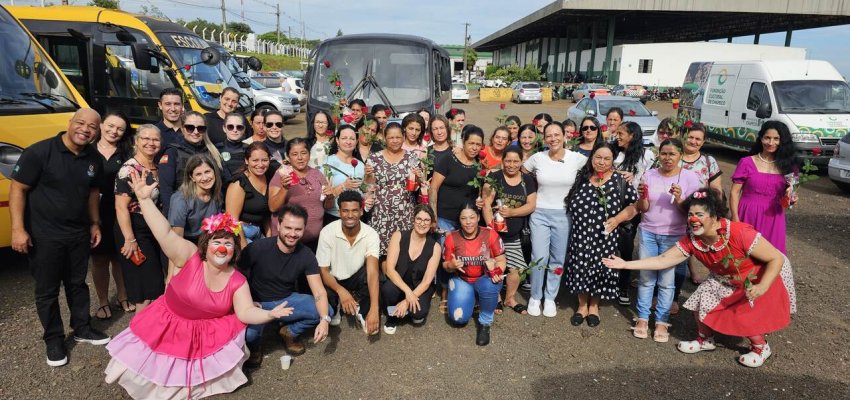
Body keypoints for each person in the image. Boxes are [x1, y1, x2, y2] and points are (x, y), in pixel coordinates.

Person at [105, 172, 293, 397]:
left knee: (186, 383)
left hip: (203, 332)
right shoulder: (190, 256)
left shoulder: (237, 280)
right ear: (206, 244)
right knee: (147, 377)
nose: (222, 248)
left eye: (228, 244)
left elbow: (245, 312)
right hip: (166, 323)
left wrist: (270, 315)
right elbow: (165, 233)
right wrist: (145, 200)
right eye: (217, 242)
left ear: (234, 250)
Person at [603, 188, 797, 368]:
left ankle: (761, 347)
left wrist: (763, 286)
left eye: (699, 214)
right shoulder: (693, 240)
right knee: (701, 300)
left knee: (745, 313)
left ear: (714, 216)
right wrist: (625, 264)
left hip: (761, 275)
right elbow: (663, 260)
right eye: (690, 214)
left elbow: (776, 258)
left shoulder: (739, 233)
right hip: (725, 277)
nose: (693, 219)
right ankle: (705, 339)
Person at [10, 108, 111, 367]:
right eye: (81, 123)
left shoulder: (93, 158)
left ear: (96, 132)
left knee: (77, 283)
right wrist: (18, 229)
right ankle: (53, 339)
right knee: (47, 290)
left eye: (92, 127)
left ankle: (82, 327)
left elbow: (93, 192)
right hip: (44, 235)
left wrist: (95, 223)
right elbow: (18, 189)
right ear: (70, 122)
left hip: (78, 233)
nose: (85, 129)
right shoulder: (39, 152)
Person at [240, 205, 330, 363]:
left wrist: (324, 320)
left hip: (286, 300)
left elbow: (319, 292)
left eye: (298, 229)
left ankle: (288, 331)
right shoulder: (257, 248)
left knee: (325, 310)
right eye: (288, 228)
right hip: (258, 303)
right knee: (249, 335)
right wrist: (247, 302)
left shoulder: (306, 254)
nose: (292, 234)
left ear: (304, 229)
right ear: (279, 225)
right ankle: (255, 346)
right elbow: (237, 279)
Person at [632, 139, 700, 341]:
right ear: (658, 155)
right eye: (664, 154)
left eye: (672, 154)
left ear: (681, 156)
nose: (668, 158)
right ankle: (643, 318)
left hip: (674, 234)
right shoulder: (649, 175)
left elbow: (692, 212)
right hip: (648, 232)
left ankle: (662, 321)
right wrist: (642, 196)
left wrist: (679, 199)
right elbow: (643, 208)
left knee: (667, 281)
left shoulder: (690, 178)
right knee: (646, 278)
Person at [564, 143, 638, 327]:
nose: (602, 162)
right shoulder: (582, 177)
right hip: (580, 235)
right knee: (580, 267)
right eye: (598, 157)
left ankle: (594, 306)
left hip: (605, 237)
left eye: (607, 158)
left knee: (601, 268)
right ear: (592, 158)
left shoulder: (620, 180)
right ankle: (582, 306)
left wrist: (617, 219)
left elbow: (635, 206)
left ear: (613, 161)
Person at [522, 122, 587, 317]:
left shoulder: (576, 158)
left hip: (564, 214)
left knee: (558, 259)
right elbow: (520, 172)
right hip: (540, 213)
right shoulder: (538, 158)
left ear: (565, 136)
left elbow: (599, 169)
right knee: (539, 257)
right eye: (549, 135)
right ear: (544, 139)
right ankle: (535, 296)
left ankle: (550, 297)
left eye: (557, 134)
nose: (553, 139)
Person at [114, 124, 165, 313]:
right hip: (134, 229)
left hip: (153, 228)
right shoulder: (129, 169)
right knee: (144, 286)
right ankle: (138, 327)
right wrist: (130, 239)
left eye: (155, 139)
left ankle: (149, 326)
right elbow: (121, 206)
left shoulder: (158, 166)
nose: (151, 143)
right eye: (146, 138)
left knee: (155, 283)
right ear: (136, 141)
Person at [481, 147, 537, 315]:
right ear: (502, 161)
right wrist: (491, 229)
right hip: (494, 234)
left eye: (515, 161)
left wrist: (512, 212)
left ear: (521, 162)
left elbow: (531, 205)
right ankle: (496, 297)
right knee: (493, 267)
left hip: (514, 235)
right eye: (508, 161)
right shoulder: (494, 177)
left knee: (517, 268)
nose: (511, 165)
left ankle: (510, 298)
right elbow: (486, 204)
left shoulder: (527, 180)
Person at [730, 120, 799, 255]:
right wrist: (735, 219)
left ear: (783, 141)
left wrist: (792, 199)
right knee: (743, 257)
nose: (771, 142)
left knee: (772, 257)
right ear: (761, 138)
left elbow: (790, 196)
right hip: (747, 215)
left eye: (776, 139)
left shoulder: (789, 166)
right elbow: (734, 192)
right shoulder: (746, 162)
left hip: (774, 219)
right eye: (767, 137)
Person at [317, 190, 381, 335]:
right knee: (323, 292)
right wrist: (341, 291)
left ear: (361, 211)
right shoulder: (327, 232)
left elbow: (372, 272)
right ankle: (337, 304)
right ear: (339, 212)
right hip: (333, 278)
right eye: (345, 211)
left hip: (355, 276)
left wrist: (374, 309)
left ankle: (364, 310)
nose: (350, 215)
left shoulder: (370, 234)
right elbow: (323, 271)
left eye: (354, 210)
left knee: (375, 277)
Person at [442, 204, 507, 346]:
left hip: (484, 280)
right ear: (459, 220)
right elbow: (445, 265)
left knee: (490, 284)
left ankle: (485, 322)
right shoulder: (452, 237)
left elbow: (502, 260)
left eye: (472, 217)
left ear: (478, 217)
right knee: (458, 319)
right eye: (463, 218)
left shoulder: (490, 234)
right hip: (463, 280)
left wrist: (496, 271)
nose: (468, 222)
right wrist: (451, 265)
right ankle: (476, 300)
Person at [91, 111, 134, 319]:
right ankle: (102, 301)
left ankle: (123, 296)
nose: (114, 131)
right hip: (95, 213)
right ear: (101, 125)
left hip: (121, 211)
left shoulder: (127, 153)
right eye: (110, 126)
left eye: (120, 129)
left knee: (120, 257)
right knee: (99, 259)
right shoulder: (88, 150)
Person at [612, 121, 656, 306]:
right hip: (611, 205)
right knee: (607, 244)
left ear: (632, 136)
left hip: (633, 207)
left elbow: (651, 179)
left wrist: (634, 177)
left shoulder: (647, 156)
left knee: (626, 245)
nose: (617, 136)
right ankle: (608, 281)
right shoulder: (614, 152)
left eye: (621, 134)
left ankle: (623, 285)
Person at [380, 205, 442, 334]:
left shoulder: (435, 247)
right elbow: (390, 269)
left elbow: (426, 281)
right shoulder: (398, 236)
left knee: (418, 313)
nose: (422, 223)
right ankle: (392, 317)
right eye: (419, 219)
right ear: (413, 219)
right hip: (398, 282)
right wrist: (409, 294)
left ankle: (403, 309)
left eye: (426, 220)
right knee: (387, 289)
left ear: (431, 223)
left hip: (419, 286)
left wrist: (406, 302)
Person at [364, 122, 421, 258]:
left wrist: (419, 177)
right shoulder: (374, 158)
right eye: (391, 137)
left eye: (398, 137)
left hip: (405, 211)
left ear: (403, 137)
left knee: (403, 250)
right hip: (381, 212)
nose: (395, 141)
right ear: (385, 138)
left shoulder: (412, 157)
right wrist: (368, 175)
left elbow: (417, 185)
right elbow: (368, 186)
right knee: (380, 252)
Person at [268, 138, 332, 252]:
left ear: (309, 154)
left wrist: (330, 197)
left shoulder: (317, 174)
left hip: (314, 243)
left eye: (303, 153)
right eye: (294, 154)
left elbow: (327, 206)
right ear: (288, 157)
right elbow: (273, 207)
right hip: (287, 242)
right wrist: (284, 188)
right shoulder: (282, 175)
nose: (300, 157)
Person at [679, 122, 723, 286]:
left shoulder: (708, 161)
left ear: (703, 142)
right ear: (684, 137)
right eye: (691, 137)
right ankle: (690, 271)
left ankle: (716, 274)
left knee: (705, 240)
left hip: (701, 210)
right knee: (684, 241)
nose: (693, 141)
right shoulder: (675, 156)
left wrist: (715, 208)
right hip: (677, 208)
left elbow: (716, 188)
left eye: (698, 139)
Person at [158, 111, 224, 215]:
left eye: (200, 128)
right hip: (184, 212)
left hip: (211, 210)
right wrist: (170, 216)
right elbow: (166, 189)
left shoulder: (212, 152)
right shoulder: (173, 152)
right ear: (182, 129)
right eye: (190, 128)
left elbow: (223, 182)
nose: (196, 132)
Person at [168, 154, 223, 245]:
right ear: (192, 177)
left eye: (207, 172)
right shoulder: (180, 199)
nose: (205, 178)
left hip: (207, 241)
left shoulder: (217, 194)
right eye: (198, 174)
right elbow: (177, 239)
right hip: (186, 243)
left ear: (214, 172)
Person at [225, 142, 271, 246]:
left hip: (259, 230)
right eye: (255, 160)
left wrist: (270, 239)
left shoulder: (268, 176)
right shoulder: (239, 184)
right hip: (242, 232)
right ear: (246, 160)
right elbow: (232, 220)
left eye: (264, 160)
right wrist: (243, 246)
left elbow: (266, 213)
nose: (260, 164)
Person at [323, 125, 366, 224]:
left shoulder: (360, 165)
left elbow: (364, 190)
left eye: (352, 139)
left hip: (356, 217)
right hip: (334, 216)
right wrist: (344, 186)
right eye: (344, 138)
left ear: (356, 141)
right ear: (337, 140)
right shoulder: (328, 163)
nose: (348, 142)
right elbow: (323, 197)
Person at [216, 112, 249, 178]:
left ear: (244, 129)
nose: (235, 130)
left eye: (239, 127)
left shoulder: (250, 149)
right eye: (230, 127)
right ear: (224, 128)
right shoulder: (216, 150)